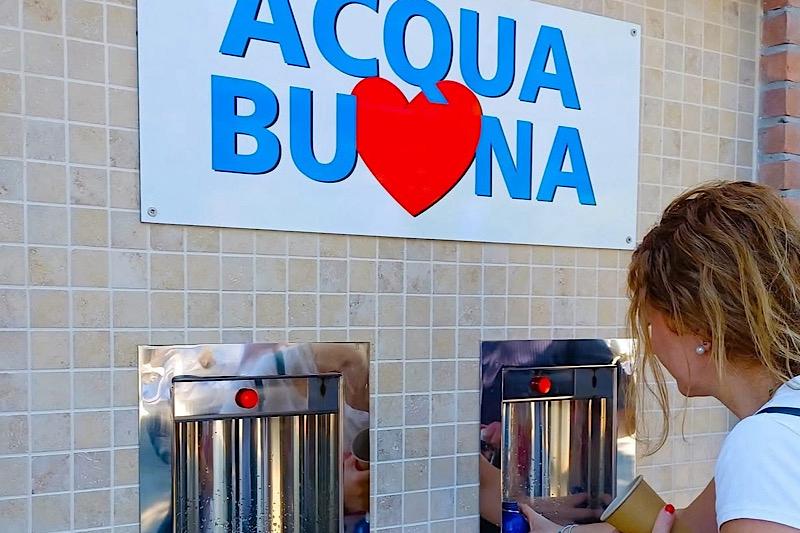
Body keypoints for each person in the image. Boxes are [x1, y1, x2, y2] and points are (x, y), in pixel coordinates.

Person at [519, 181, 800, 533]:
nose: (651, 343)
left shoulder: (762, 446)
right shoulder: (778, 430)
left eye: (652, 324)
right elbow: (684, 526)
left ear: (697, 328)